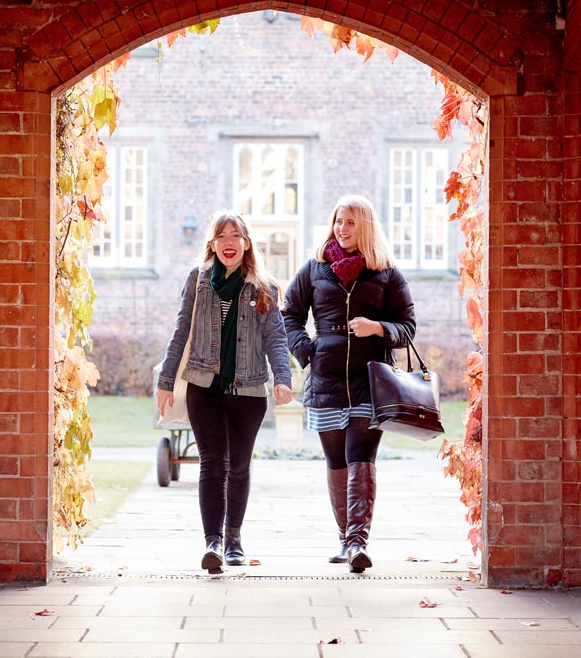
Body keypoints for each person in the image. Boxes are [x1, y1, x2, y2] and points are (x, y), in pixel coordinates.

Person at [282, 195, 415, 573]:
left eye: (352, 222)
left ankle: (358, 542)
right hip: (325, 378)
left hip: (371, 379)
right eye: (339, 221)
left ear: (367, 227)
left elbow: (408, 327)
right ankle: (344, 538)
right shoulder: (314, 269)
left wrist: (377, 328)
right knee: (336, 459)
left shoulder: (386, 272)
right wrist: (307, 350)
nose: (343, 228)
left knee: (361, 455)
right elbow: (288, 313)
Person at [157, 212, 293, 574]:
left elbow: (275, 337)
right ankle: (213, 542)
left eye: (236, 235)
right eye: (222, 236)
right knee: (213, 463)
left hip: (249, 391)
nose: (229, 242)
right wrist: (165, 381)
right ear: (213, 244)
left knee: (240, 467)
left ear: (246, 243)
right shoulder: (198, 280)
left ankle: (234, 538)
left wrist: (283, 377)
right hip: (204, 387)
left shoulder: (264, 286)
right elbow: (180, 331)